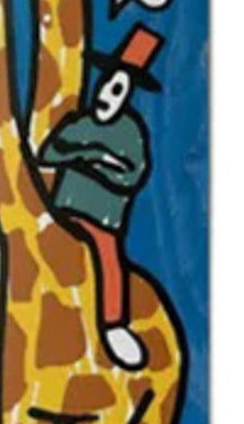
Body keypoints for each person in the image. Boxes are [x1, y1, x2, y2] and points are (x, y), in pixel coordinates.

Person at [36, 24, 161, 370]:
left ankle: (114, 325)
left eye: (117, 89)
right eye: (106, 84)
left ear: (126, 95)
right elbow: (50, 152)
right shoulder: (80, 123)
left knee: (108, 258)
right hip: (64, 210)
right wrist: (92, 155)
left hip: (103, 219)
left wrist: (88, 161)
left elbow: (131, 175)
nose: (107, 93)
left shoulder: (130, 132)